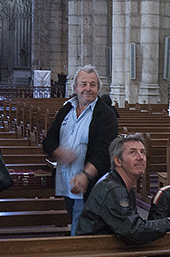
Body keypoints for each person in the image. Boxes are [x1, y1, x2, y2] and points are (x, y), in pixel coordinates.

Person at [42, 65, 118, 235]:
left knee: (80, 229)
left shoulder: (105, 114)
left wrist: (86, 176)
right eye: (83, 84)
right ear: (75, 88)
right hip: (67, 182)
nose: (88, 89)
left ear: (98, 88)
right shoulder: (66, 109)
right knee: (76, 220)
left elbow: (104, 151)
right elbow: (49, 140)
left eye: (93, 85)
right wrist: (57, 151)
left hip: (91, 184)